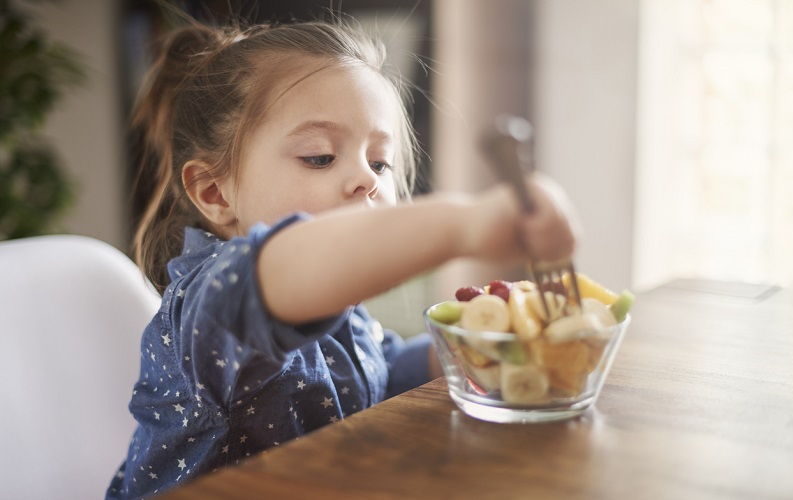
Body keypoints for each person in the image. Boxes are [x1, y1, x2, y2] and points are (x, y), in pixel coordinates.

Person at [107, 19, 578, 499]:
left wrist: (471, 347)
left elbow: (381, 371)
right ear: (214, 193)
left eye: (379, 162)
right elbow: (288, 266)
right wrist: (463, 223)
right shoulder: (212, 304)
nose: (366, 179)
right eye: (319, 157)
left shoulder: (335, 304)